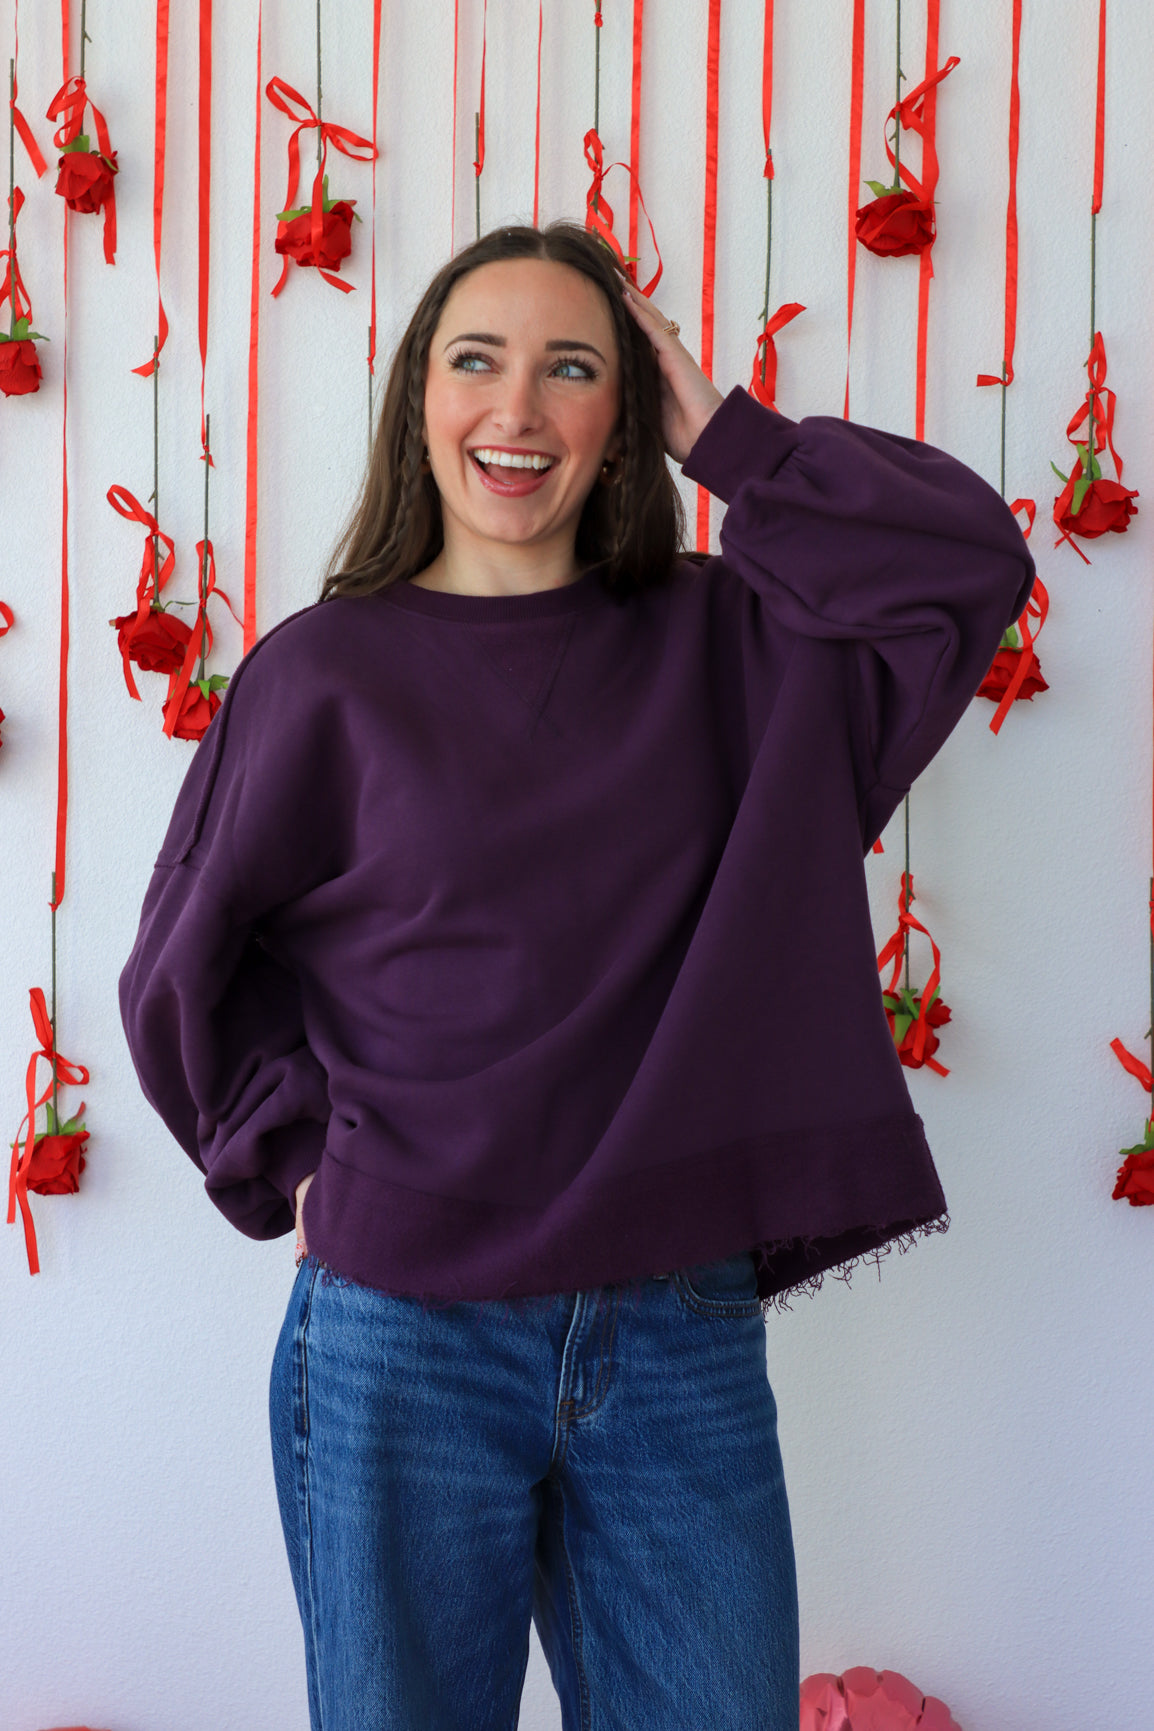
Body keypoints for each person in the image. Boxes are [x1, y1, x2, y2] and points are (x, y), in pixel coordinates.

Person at [119, 221, 1035, 1731]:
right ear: (420, 397)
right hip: (402, 1332)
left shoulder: (739, 646)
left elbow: (964, 562)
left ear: (628, 410)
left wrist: (729, 439)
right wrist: (291, 1158)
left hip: (675, 1325)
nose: (518, 409)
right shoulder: (323, 672)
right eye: (476, 361)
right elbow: (184, 961)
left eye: (572, 368)